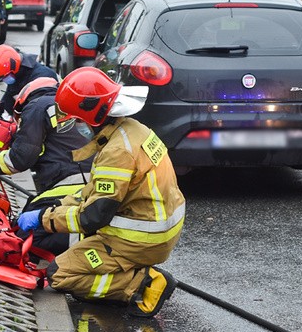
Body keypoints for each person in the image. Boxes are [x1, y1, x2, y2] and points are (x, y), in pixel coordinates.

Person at [17, 67, 185, 317]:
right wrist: (56, 206)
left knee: (60, 274)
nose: (74, 125)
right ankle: (131, 273)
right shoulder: (132, 130)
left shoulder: (116, 153)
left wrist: (44, 220)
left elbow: (92, 218)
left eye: (75, 118)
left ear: (90, 115)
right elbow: (95, 192)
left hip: (137, 238)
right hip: (155, 227)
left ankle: (144, 282)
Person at [0, 70, 94, 254]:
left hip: (70, 183)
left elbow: (19, 159)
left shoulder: (36, 106)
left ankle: (79, 245)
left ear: (23, 101)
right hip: (92, 183)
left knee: (26, 235)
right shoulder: (69, 106)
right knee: (32, 209)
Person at [0, 44, 58, 115]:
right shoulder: (18, 73)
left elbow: (37, 112)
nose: (5, 80)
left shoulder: (43, 76)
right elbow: (6, 102)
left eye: (5, 77)